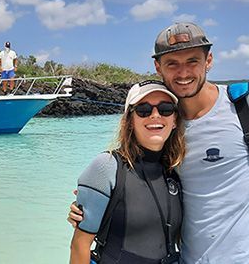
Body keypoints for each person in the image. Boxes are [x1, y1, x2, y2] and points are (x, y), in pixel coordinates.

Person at [69, 22, 249, 263]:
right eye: (172, 63)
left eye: (192, 61)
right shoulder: (163, 133)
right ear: (158, 67)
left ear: (209, 61)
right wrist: (94, 205)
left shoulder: (241, 108)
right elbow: (135, 185)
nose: (183, 73)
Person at [70, 80, 185, 264]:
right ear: (129, 121)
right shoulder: (107, 166)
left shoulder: (176, 171)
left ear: (174, 121)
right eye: (143, 110)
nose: (155, 115)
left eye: (165, 109)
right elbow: (80, 246)